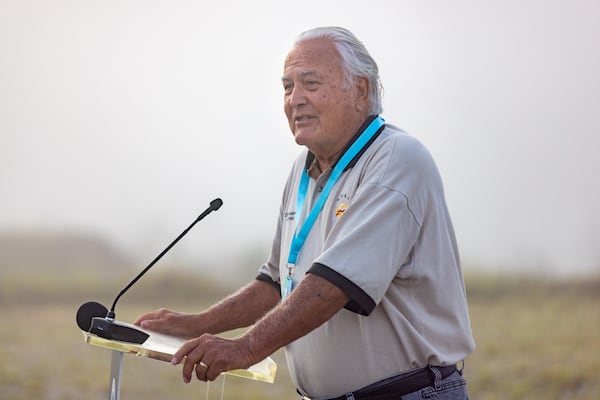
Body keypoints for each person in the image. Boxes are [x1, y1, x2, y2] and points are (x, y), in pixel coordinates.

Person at [134, 26, 475, 400]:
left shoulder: (396, 159)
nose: (294, 99)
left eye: (310, 83)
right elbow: (276, 283)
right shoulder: (303, 168)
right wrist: (196, 324)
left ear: (360, 91)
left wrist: (245, 348)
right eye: (287, 87)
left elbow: (333, 286)